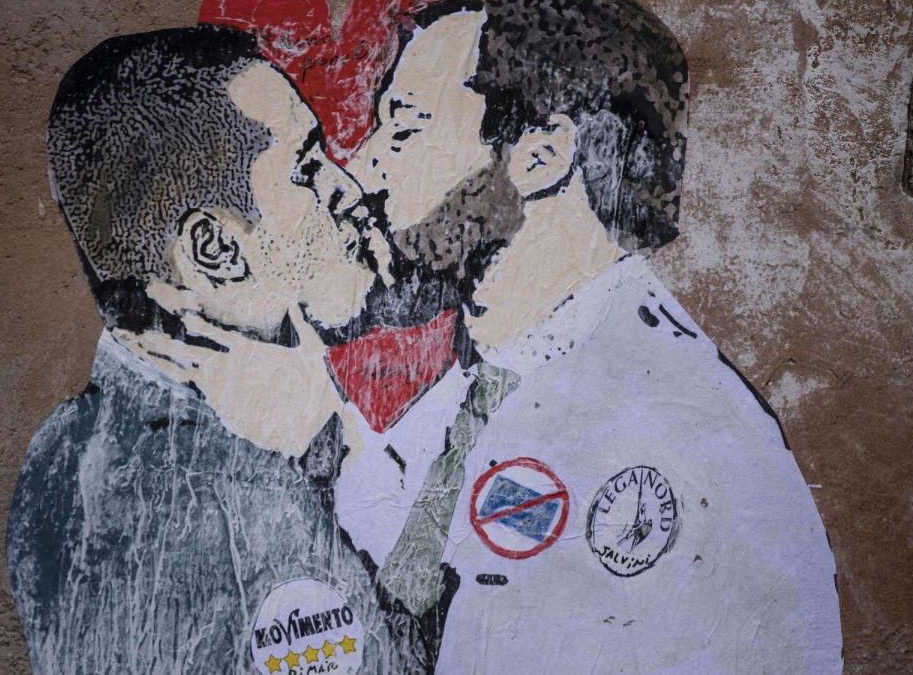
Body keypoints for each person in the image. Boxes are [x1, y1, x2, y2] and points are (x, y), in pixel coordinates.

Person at [333, 1, 844, 673]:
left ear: (541, 157)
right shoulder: (472, 394)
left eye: (404, 130)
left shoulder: (679, 433)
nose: (363, 172)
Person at [6, 26, 441, 675]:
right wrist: (338, 454)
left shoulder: (58, 450)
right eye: (306, 168)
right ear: (215, 251)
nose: (349, 190)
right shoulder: (254, 503)